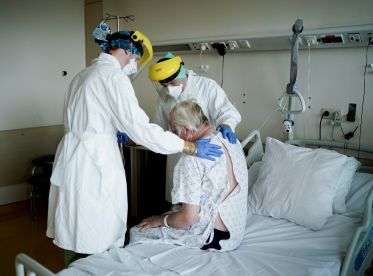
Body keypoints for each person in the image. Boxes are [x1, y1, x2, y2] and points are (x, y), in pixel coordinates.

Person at [46, 29, 223, 267]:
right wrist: (188, 146)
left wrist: (111, 129)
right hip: (95, 159)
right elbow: (141, 128)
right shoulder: (114, 77)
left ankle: (74, 269)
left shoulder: (82, 75)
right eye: (137, 59)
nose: (135, 64)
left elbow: (90, 117)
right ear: (129, 51)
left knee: (76, 219)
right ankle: (100, 269)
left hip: (73, 156)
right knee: (100, 224)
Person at [129, 100, 248, 252]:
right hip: (234, 234)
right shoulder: (232, 140)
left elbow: (188, 218)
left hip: (211, 237)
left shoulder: (191, 159)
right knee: (173, 211)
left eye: (174, 131)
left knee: (136, 232)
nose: (174, 136)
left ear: (186, 129)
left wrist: (159, 220)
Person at [148, 52, 242, 202]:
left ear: (182, 72)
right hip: (178, 154)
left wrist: (226, 125)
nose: (169, 88)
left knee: (203, 201)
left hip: (205, 153)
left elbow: (227, 111)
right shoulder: (164, 95)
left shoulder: (206, 86)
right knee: (179, 202)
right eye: (164, 85)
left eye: (172, 83)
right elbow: (158, 126)